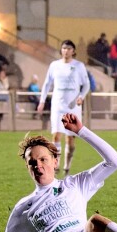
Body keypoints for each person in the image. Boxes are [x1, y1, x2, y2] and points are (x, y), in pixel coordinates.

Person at [37, 40, 90, 176]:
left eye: (69, 48)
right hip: (58, 105)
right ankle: (57, 164)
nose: (66, 51)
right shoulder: (54, 65)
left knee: (70, 139)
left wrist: (81, 97)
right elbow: (47, 83)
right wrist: (42, 101)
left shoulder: (79, 66)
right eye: (64, 48)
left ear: (73, 51)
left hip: (73, 107)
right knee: (56, 135)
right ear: (61, 50)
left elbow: (86, 84)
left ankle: (67, 166)